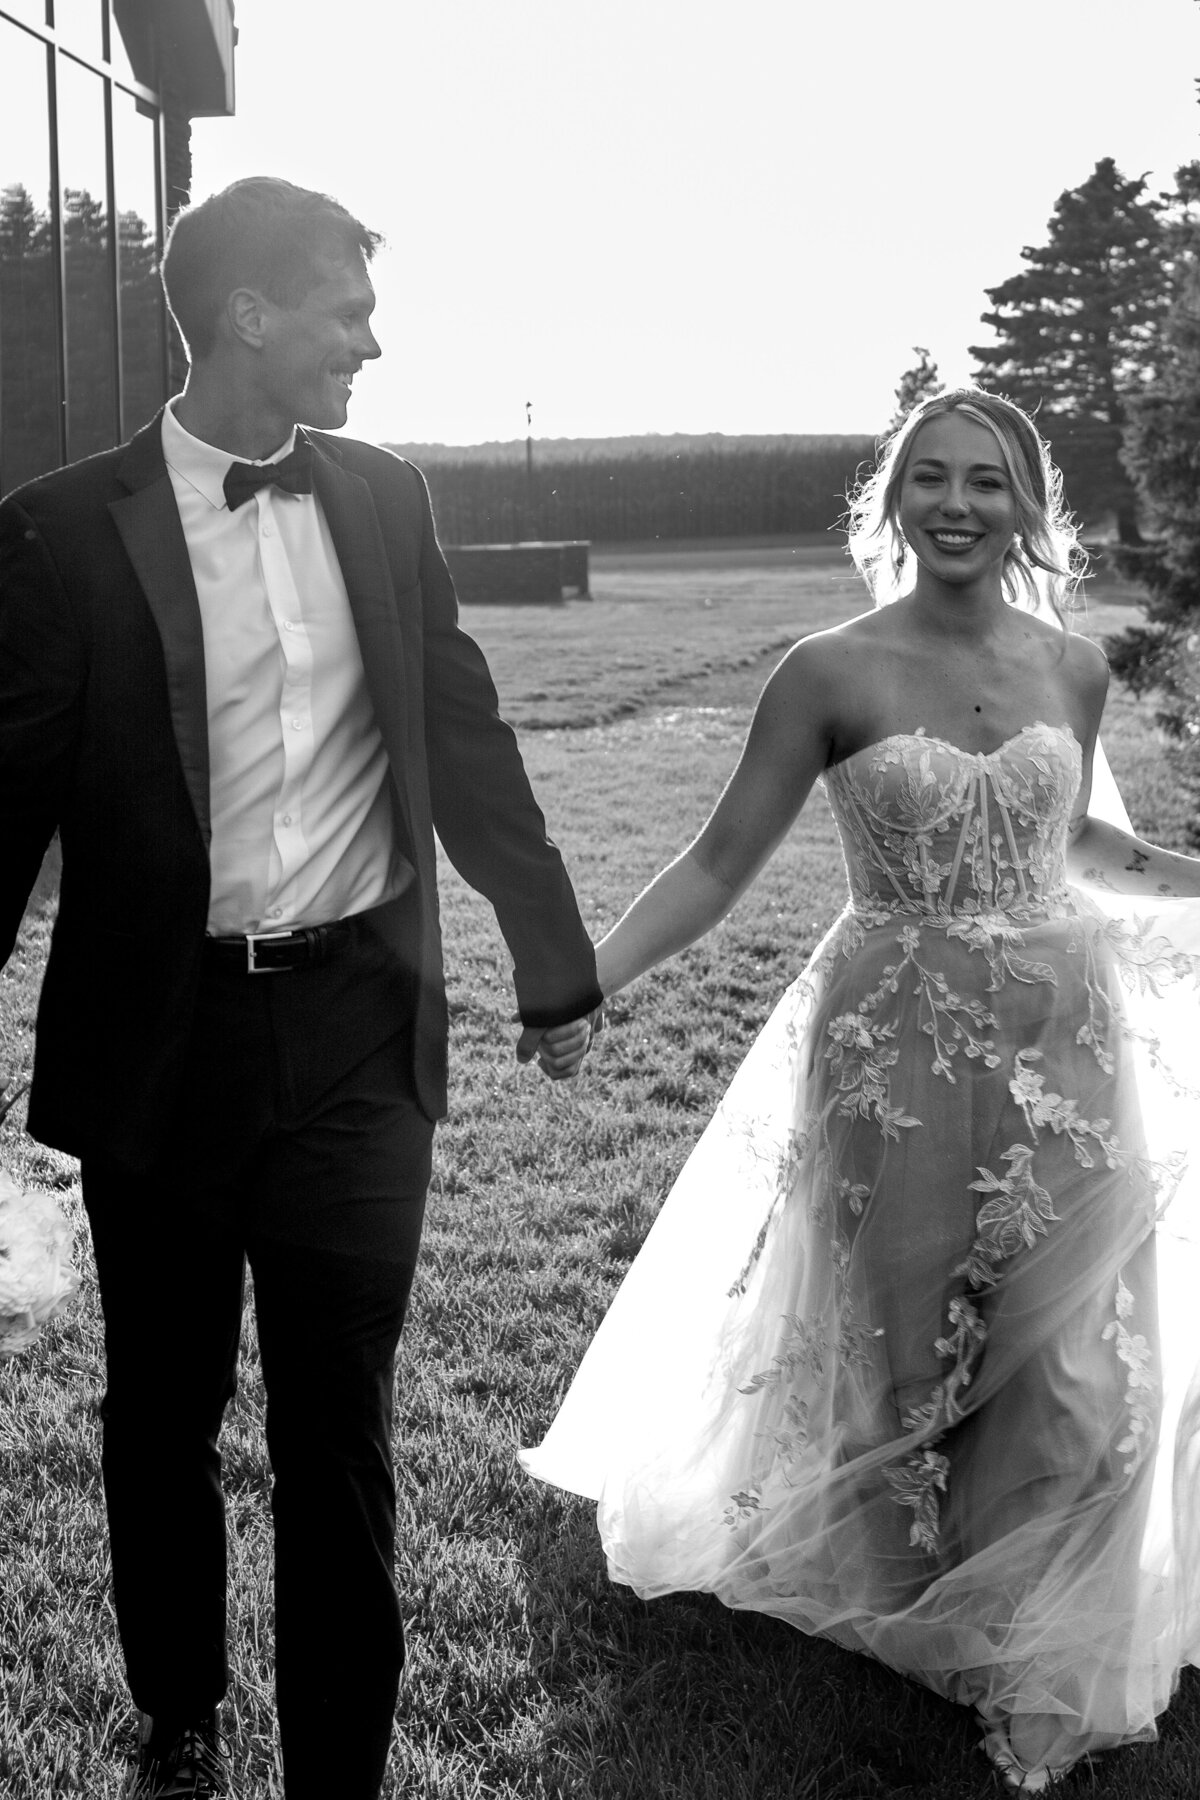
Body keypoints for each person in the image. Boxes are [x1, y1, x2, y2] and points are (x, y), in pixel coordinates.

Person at [0, 176, 599, 1800]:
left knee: (339, 1423)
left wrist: (555, 968)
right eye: (347, 310)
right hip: (159, 1048)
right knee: (164, 1410)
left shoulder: (388, 501)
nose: (374, 343)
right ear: (250, 316)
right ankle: (180, 1710)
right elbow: (3, 811)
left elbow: (462, 736)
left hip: (354, 1039)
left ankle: (342, 1766)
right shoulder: (59, 532)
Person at [522, 390, 1200, 1791]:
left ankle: (1033, 1652)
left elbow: (1079, 843)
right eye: (933, 479)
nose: (959, 504)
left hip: (1067, 1040)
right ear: (893, 503)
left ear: (1024, 508)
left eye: (989, 483)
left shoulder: (1072, 670)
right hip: (893, 1044)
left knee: (1074, 1354)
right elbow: (719, 863)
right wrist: (592, 977)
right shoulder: (825, 670)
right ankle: (917, 1592)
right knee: (907, 1347)